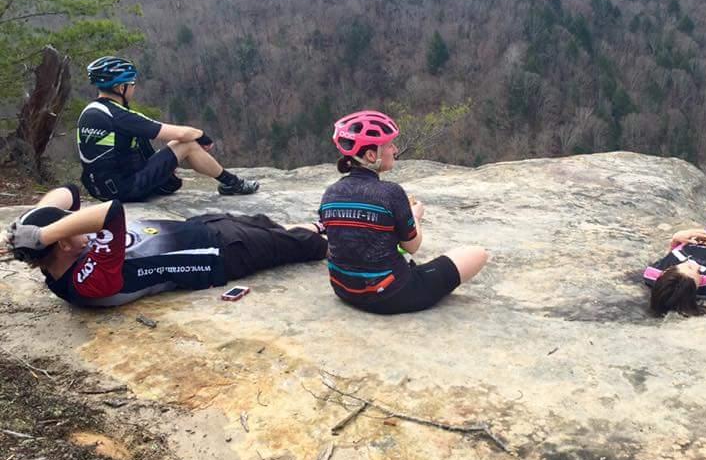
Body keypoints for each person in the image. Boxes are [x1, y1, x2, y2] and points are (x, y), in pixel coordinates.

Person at [4, 184, 326, 307]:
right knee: (305, 246)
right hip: (220, 254)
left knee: (272, 226)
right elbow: (111, 211)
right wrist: (43, 234)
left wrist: (25, 228)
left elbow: (68, 191)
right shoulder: (86, 282)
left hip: (199, 228)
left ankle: (315, 226)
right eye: (67, 228)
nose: (78, 226)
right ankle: (335, 236)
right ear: (59, 243)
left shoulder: (63, 258)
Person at [319, 110, 488, 314]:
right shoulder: (391, 193)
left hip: (343, 289)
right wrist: (414, 215)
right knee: (477, 254)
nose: (395, 149)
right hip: (391, 294)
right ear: (371, 155)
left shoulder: (330, 193)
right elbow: (412, 246)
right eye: (390, 145)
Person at [77, 56, 259, 202]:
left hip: (98, 190)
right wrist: (202, 136)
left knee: (169, 145)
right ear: (120, 87)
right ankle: (233, 184)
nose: (134, 88)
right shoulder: (119, 115)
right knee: (186, 144)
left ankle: (228, 183)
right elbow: (181, 134)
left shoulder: (90, 111)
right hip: (125, 190)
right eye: (132, 84)